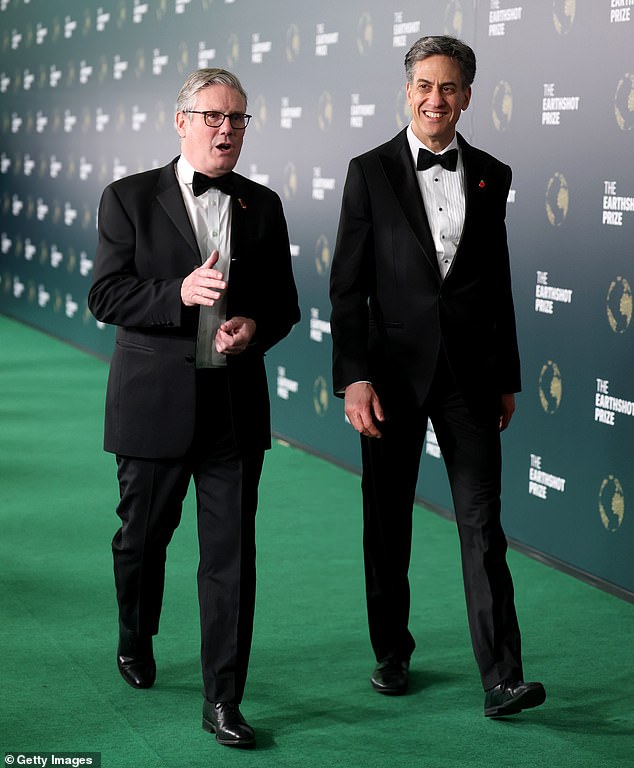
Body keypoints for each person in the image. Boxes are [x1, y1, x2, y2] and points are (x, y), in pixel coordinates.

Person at [329, 36, 545, 718]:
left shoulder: (492, 172)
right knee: (388, 524)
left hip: (471, 380)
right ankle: (391, 653)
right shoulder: (368, 172)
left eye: (449, 87)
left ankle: (502, 676)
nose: (435, 99)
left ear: (468, 96)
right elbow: (347, 288)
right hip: (389, 377)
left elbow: (496, 281)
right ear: (407, 90)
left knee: (483, 525)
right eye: (425, 85)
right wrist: (354, 377)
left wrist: (506, 375)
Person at [88, 68, 300, 748]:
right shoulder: (127, 199)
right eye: (213, 116)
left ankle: (223, 701)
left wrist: (253, 329)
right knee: (142, 541)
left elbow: (284, 305)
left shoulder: (262, 206)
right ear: (181, 121)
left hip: (233, 409)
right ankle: (134, 631)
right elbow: (107, 296)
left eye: (238, 119)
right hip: (152, 407)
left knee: (230, 559)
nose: (226, 130)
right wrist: (176, 294)